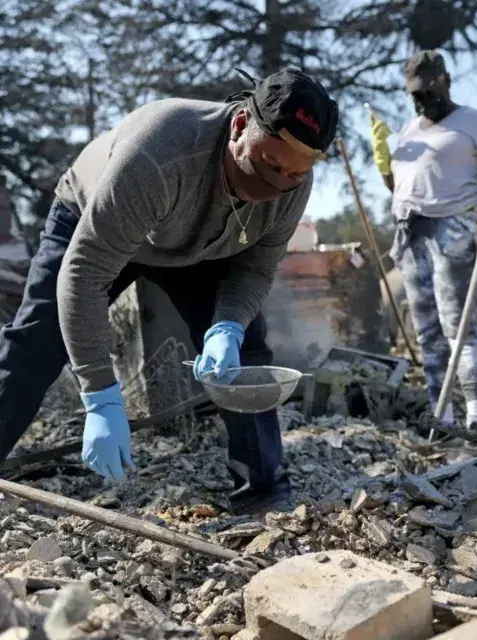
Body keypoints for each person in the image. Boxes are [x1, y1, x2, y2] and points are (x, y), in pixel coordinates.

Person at [0, 68, 339, 514]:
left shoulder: (292, 180)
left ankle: (263, 491)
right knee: (38, 339)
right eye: (267, 165)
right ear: (240, 125)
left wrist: (229, 327)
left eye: (292, 175)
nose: (273, 187)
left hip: (196, 243)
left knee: (248, 354)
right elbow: (83, 276)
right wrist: (100, 396)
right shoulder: (160, 153)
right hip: (97, 218)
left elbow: (255, 270)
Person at [370, 50, 477, 430]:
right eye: (415, 94)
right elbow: (400, 185)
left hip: (454, 228)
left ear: (446, 81)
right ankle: (443, 417)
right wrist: (385, 162)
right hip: (411, 232)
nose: (422, 99)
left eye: (428, 89)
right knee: (428, 331)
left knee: (459, 324)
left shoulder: (474, 122)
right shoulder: (408, 130)